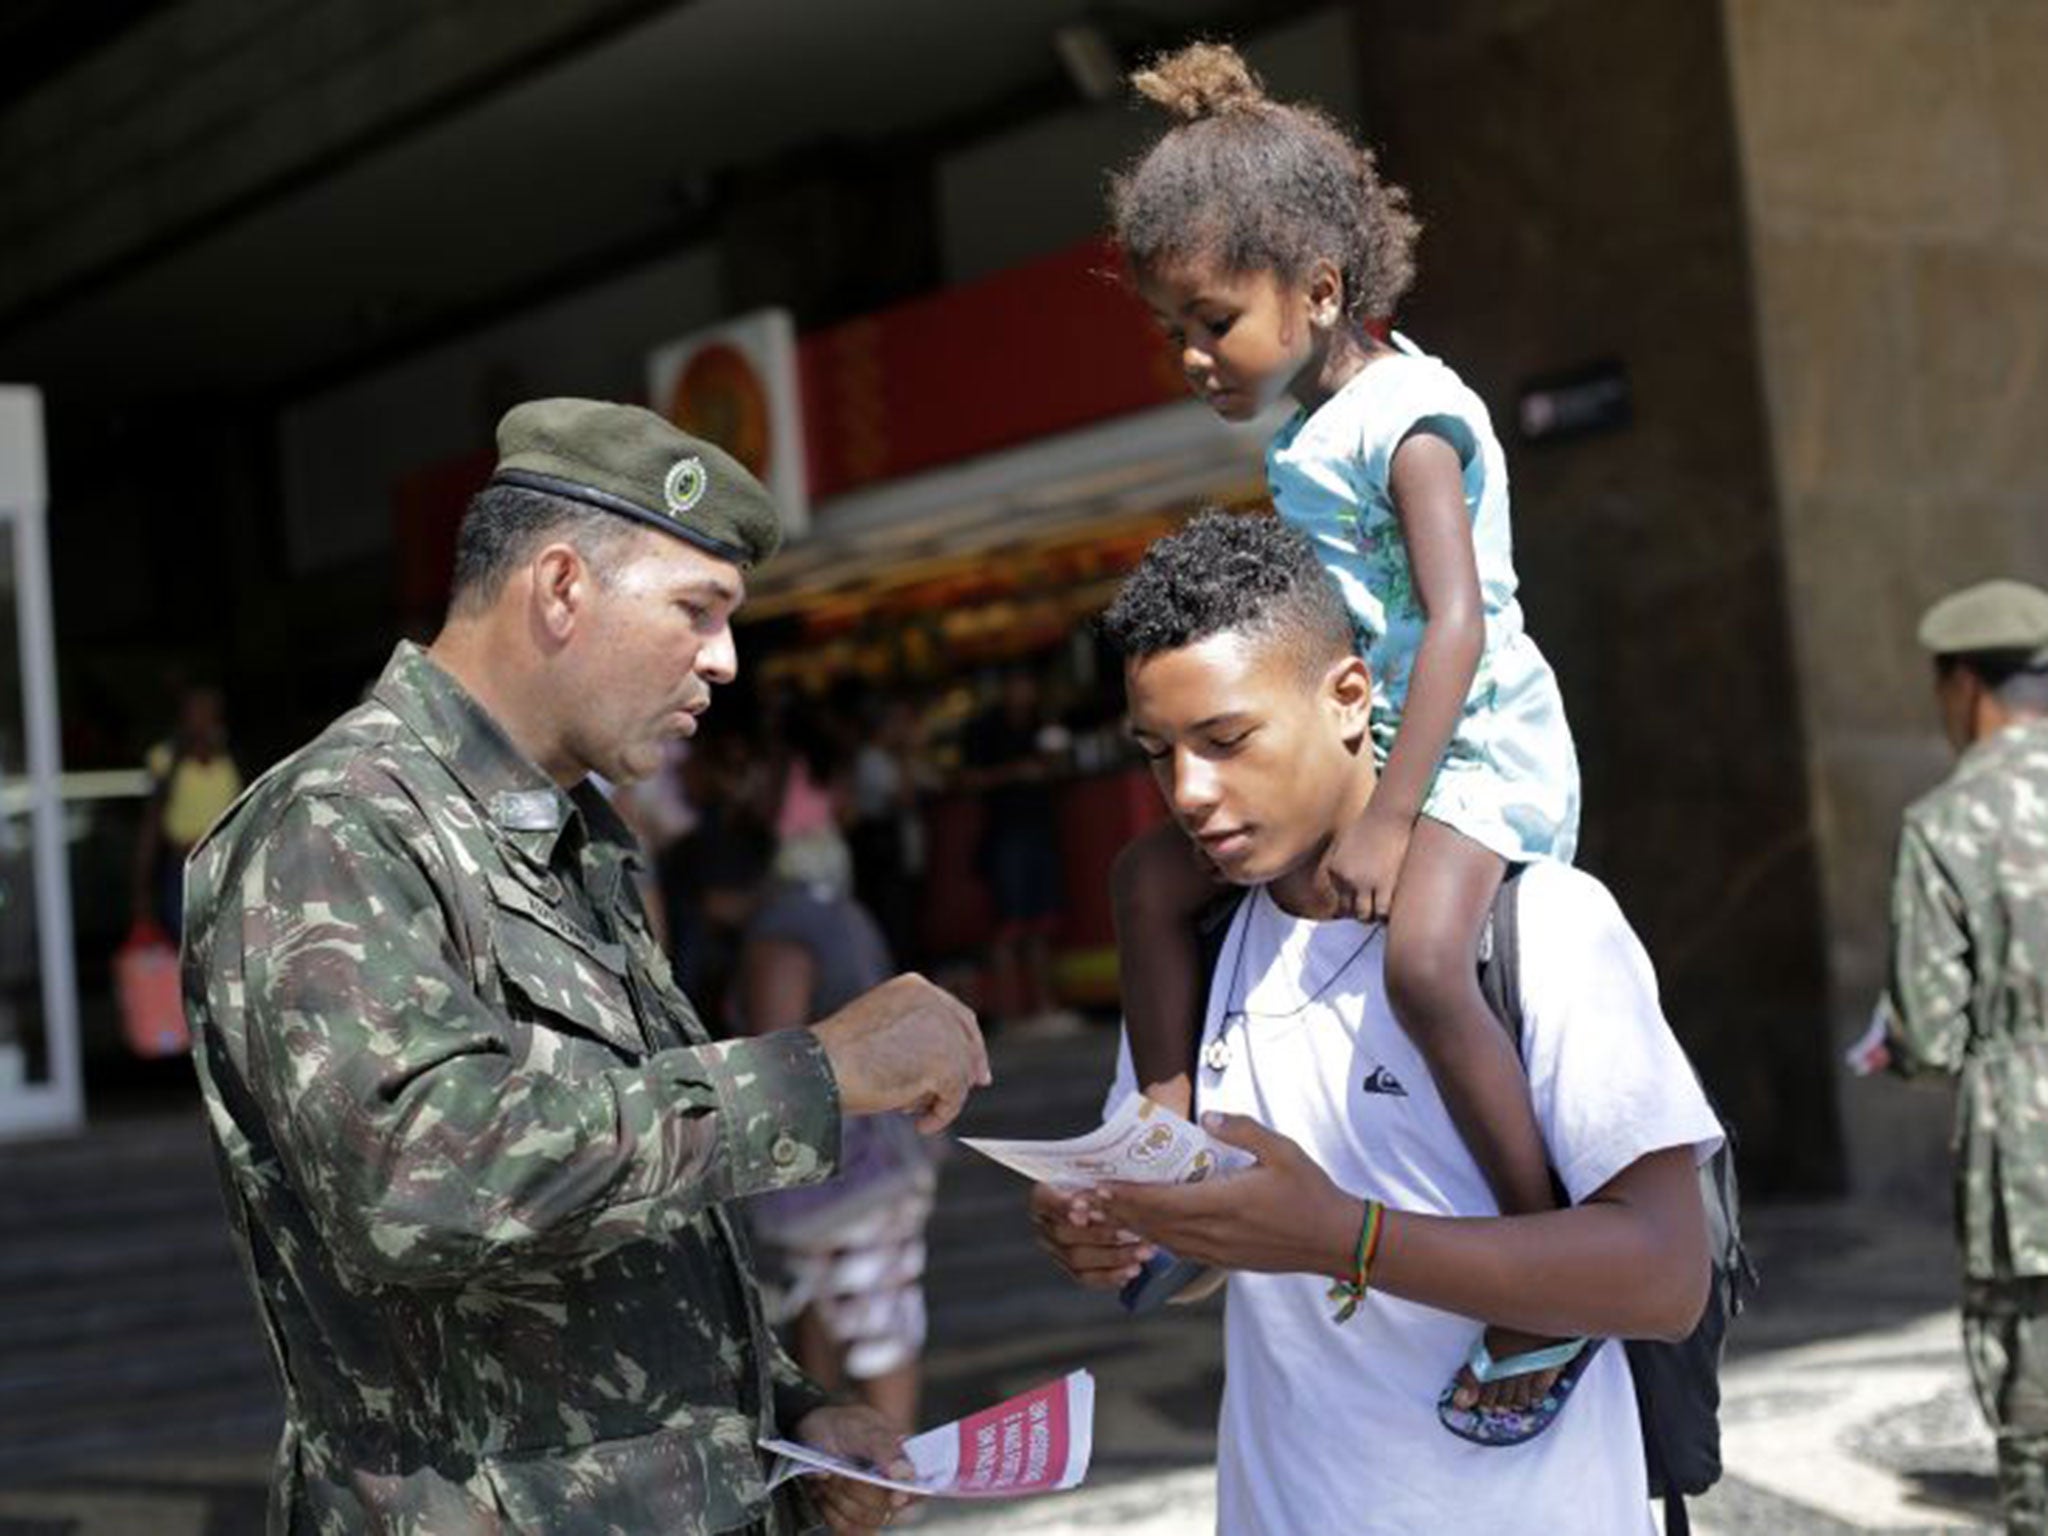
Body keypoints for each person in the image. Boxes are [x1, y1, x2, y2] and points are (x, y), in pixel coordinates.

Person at [180, 399, 990, 1535]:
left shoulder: (565, 840)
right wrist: (809, 1072)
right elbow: (416, 1182)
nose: (723, 660)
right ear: (561, 587)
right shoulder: (338, 828)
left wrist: (786, 1413)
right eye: (695, 611)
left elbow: (610, 1237)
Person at [1033, 512, 1718, 1530]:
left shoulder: (1537, 927)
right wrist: (1124, 1235)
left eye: (1225, 741)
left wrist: (1339, 1237)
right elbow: (1213, 1259)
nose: (1186, 791)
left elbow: (1664, 1275)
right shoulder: (1197, 946)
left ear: (1347, 698)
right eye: (1155, 753)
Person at [1102, 41, 1584, 1418]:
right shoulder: (1309, 430)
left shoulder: (1413, 419)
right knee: (1147, 880)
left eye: (1210, 321)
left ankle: (1539, 1271)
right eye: (1175, 330)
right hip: (1381, 750)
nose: (1193, 355)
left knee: (1429, 963)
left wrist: (1385, 821)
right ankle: (1164, 1153)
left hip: (1476, 748)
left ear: (1319, 290)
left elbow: (1457, 628)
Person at [1863, 578, 2048, 1534]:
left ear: (1964, 685)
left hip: (2027, 1177)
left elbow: (1932, 1035)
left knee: (2037, 1424)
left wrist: (1894, 1042)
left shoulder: (1947, 823)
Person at [732, 833, 938, 1436]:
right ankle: (852, 1484)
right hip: (880, 1156)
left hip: (842, 1172)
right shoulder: (846, 915)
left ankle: (892, 1482)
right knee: (833, 1310)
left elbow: (779, 1054)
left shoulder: (783, 930)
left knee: (872, 1325)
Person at [960, 668, 1076, 1032]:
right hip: (1004, 832)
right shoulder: (984, 729)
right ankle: (1010, 1013)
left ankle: (1043, 1006)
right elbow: (968, 779)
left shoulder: (1042, 722)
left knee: (1041, 923)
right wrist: (1016, 773)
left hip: (1041, 828)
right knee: (1008, 927)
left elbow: (1060, 766)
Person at [131, 683, 241, 939]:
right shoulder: (165, 759)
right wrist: (141, 888)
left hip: (225, 871)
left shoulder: (230, 758)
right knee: (187, 945)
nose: (202, 719)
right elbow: (152, 823)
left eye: (208, 711)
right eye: (195, 711)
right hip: (183, 870)